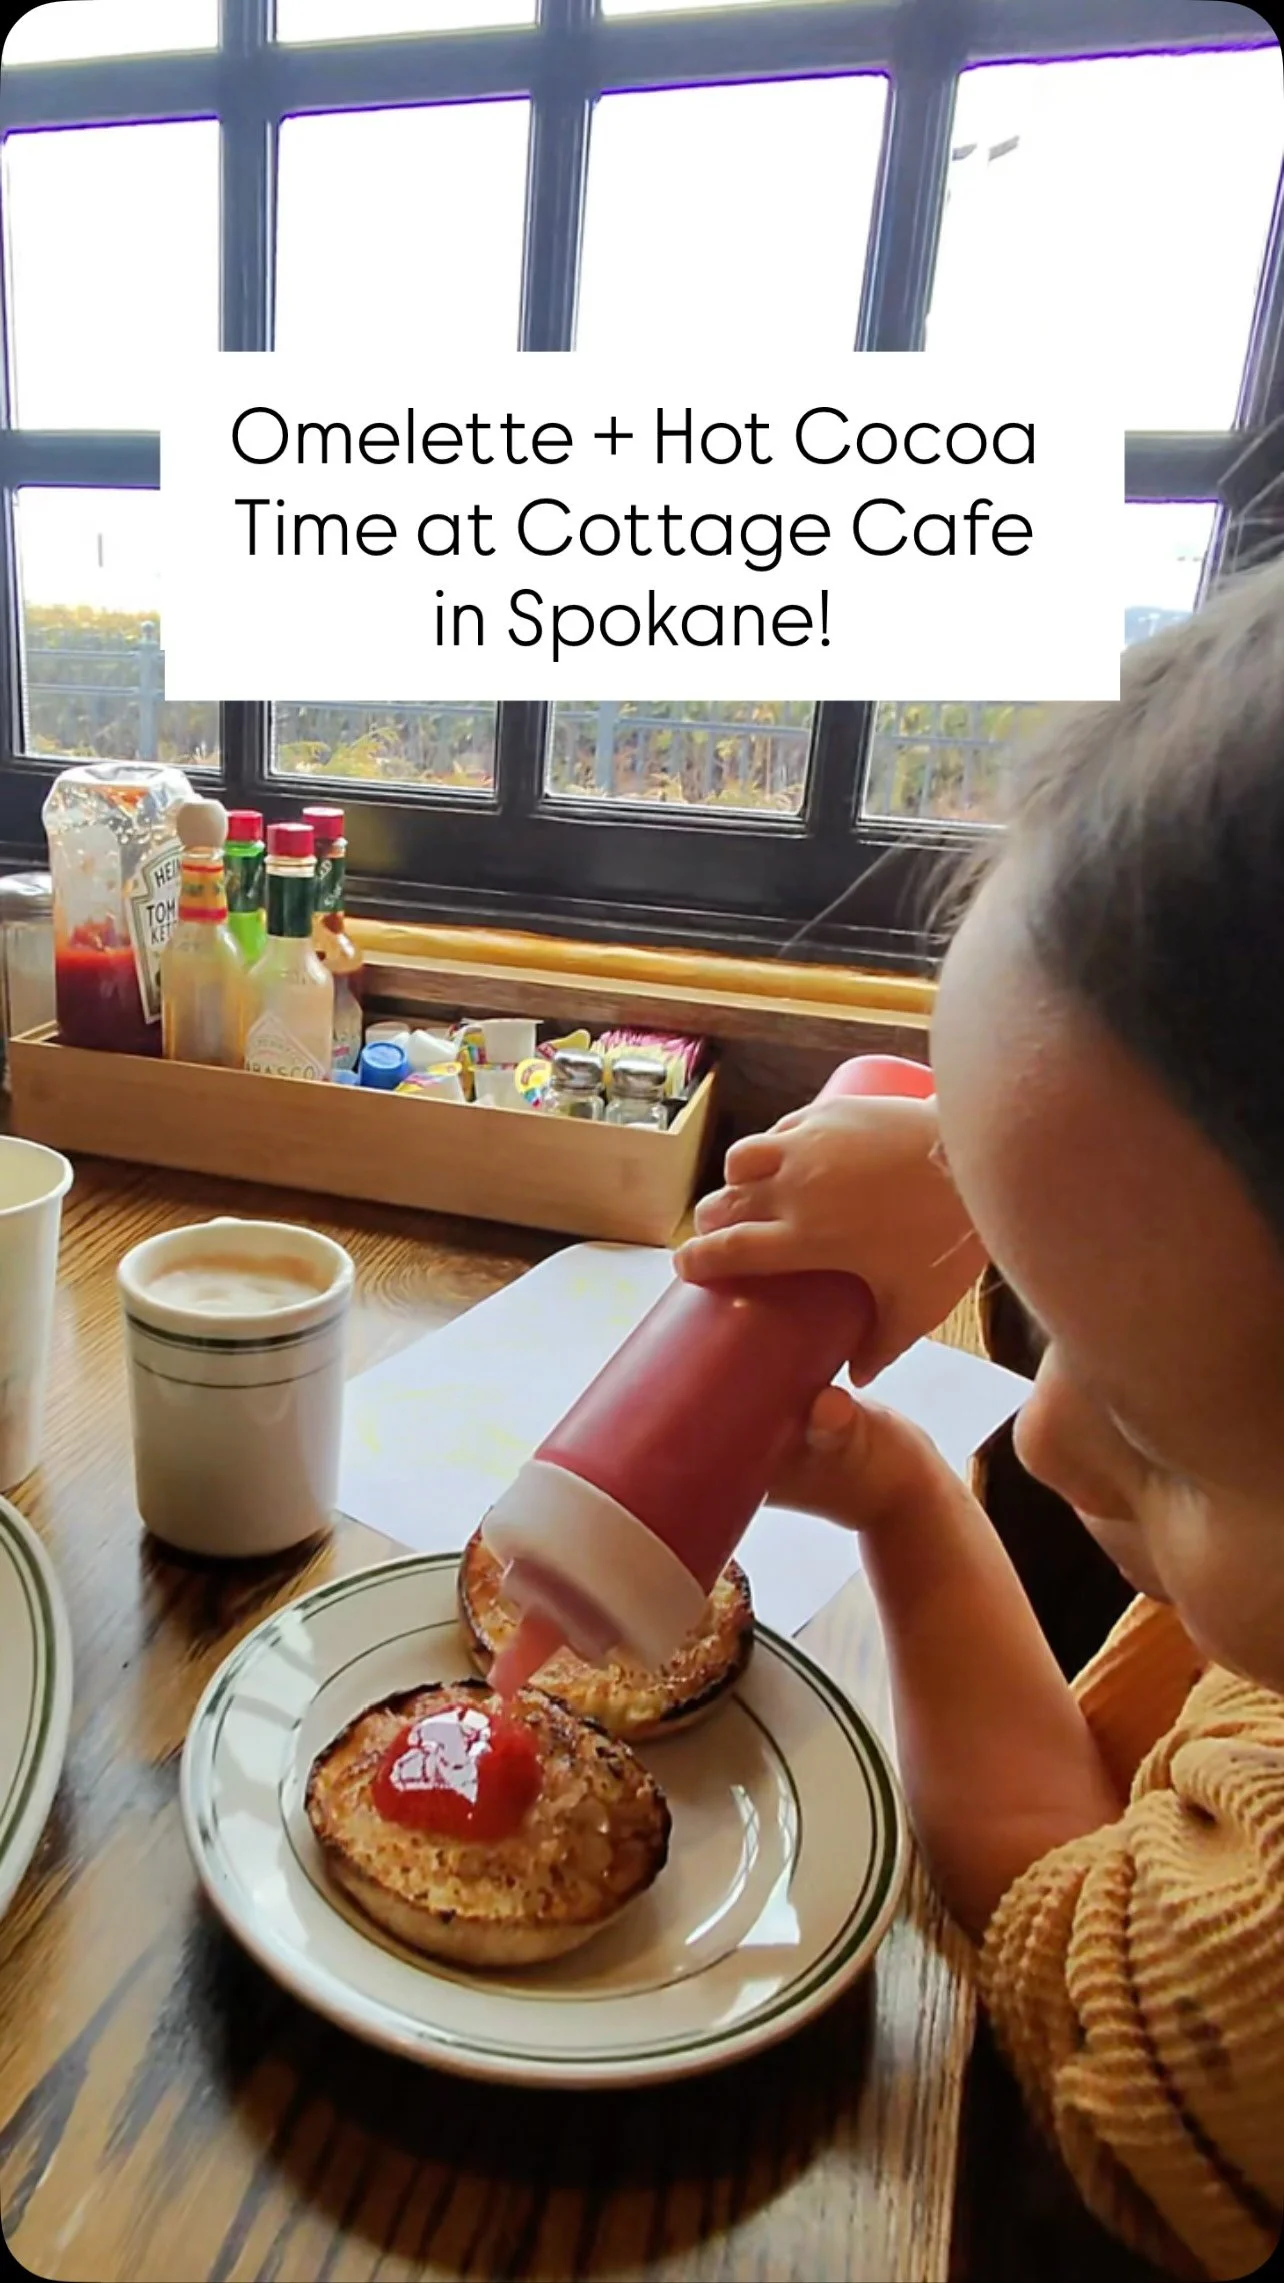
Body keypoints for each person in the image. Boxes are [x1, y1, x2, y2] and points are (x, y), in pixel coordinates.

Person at [677, 558, 1284, 2281]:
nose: (1046, 1434)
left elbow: (1042, 1867)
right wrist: (960, 1165)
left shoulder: (1243, 1977)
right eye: (1037, 1300)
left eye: (1158, 1430)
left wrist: (908, 1505)